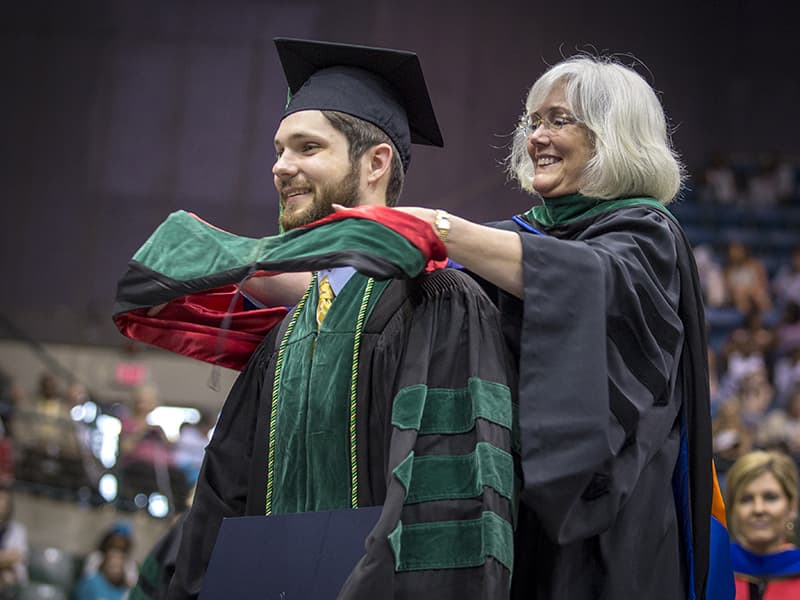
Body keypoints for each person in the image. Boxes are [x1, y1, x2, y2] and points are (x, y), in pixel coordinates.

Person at [113, 39, 516, 599]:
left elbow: (446, 500)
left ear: (376, 162)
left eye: (307, 148)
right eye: (278, 150)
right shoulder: (292, 328)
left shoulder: (439, 302)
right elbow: (224, 491)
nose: (281, 167)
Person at [383, 55, 728, 598]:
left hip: (615, 518)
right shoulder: (513, 241)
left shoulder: (646, 234)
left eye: (557, 120)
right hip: (519, 511)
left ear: (612, 136)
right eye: (532, 122)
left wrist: (444, 230)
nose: (536, 137)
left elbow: (590, 279)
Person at [725, 450, 800, 598]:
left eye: (770, 497)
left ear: (792, 507)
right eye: (746, 499)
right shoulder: (713, 570)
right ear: (733, 509)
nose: (758, 509)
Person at [73, 524, 135, 600]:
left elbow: (132, 584)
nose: (115, 569)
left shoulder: (129, 567)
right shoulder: (95, 563)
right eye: (112, 565)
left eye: (118, 566)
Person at [0, 482, 28, 594]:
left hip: (11, 581)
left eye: (4, 499)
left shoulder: (17, 530)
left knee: (7, 576)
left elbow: (18, 556)